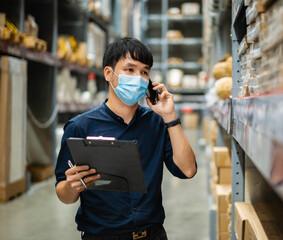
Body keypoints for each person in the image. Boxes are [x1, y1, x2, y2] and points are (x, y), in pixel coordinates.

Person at [55, 37, 197, 240]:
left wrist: (170, 116)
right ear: (108, 73)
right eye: (130, 70)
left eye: (144, 72)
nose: (138, 77)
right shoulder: (80, 127)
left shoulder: (157, 123)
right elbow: (64, 194)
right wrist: (71, 186)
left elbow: (188, 170)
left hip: (151, 235)